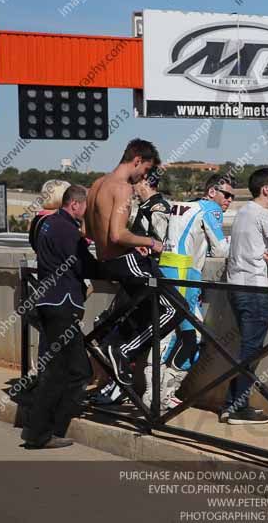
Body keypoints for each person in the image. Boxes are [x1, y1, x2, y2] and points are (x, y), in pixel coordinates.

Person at [85, 138, 181, 388]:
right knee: (175, 309)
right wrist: (150, 242)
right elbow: (117, 233)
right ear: (137, 160)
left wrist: (128, 241)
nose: (143, 176)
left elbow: (88, 230)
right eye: (146, 169)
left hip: (106, 260)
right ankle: (121, 352)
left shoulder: (97, 185)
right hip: (124, 262)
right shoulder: (123, 188)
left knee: (141, 308)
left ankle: (113, 347)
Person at [22, 185, 99, 449]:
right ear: (75, 205)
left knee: (78, 371)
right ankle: (39, 434)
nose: (88, 210)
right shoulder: (67, 230)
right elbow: (83, 264)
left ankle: (48, 429)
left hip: (49, 303)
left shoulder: (46, 223)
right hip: (61, 305)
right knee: (59, 373)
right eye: (86, 206)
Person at [221, 168, 268, 425]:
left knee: (246, 349)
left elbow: (247, 249)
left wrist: (265, 256)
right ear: (266, 189)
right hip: (254, 291)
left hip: (236, 287)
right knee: (251, 352)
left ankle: (231, 405)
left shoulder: (242, 212)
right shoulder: (263, 214)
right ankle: (238, 409)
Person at [155, 172, 235, 409]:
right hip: (185, 274)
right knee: (186, 337)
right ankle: (161, 394)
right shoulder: (211, 209)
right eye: (226, 195)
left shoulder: (182, 206)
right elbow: (221, 250)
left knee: (172, 336)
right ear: (212, 192)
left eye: (232, 197)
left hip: (167, 268)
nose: (229, 200)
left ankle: (159, 394)